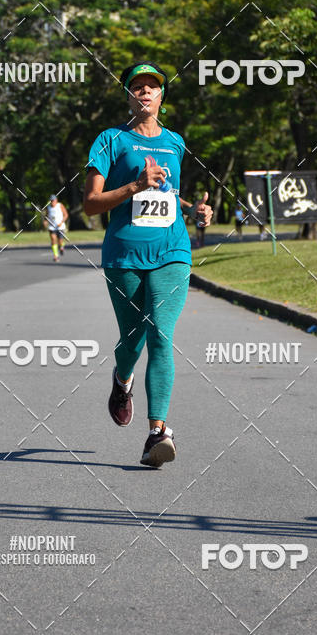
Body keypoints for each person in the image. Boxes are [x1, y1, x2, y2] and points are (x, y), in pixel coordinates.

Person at [83, 62, 212, 468]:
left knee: (160, 333)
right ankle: (122, 381)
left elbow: (168, 192)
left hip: (173, 252)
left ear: (162, 97)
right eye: (136, 87)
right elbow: (90, 206)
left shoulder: (175, 142)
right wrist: (135, 185)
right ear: (128, 95)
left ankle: (157, 432)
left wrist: (197, 212)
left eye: (152, 87)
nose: (144, 92)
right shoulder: (110, 140)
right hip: (124, 254)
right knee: (132, 339)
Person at [44, 194, 69, 262]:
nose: (52, 202)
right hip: (52, 227)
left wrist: (61, 222)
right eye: (51, 201)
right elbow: (46, 216)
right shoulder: (48, 207)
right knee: (53, 240)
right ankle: (56, 256)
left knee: (60, 241)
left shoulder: (60, 205)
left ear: (56, 200)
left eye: (53, 200)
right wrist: (45, 221)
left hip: (60, 227)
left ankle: (61, 247)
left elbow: (66, 215)